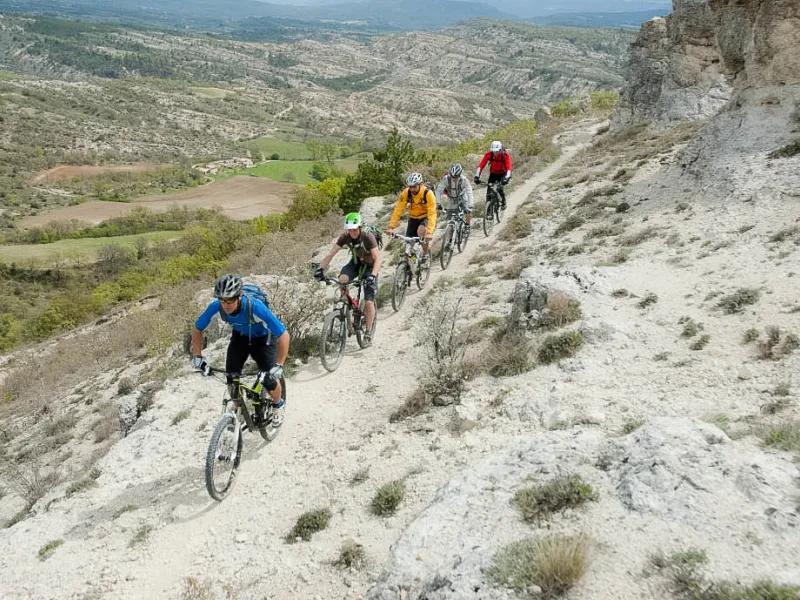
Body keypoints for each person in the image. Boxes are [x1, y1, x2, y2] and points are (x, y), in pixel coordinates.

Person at [190, 274, 289, 428]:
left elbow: (283, 335)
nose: (226, 305)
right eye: (223, 300)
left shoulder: (255, 307)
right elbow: (197, 328)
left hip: (263, 339)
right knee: (231, 377)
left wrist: (279, 364)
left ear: (239, 296)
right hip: (240, 337)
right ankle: (238, 408)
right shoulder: (216, 307)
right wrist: (197, 356)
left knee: (268, 379)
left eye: (230, 300)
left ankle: (278, 405)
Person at [315, 212, 382, 347]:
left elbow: (378, 258)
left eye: (354, 229)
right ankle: (347, 304)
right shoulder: (345, 237)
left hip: (370, 267)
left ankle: (368, 333)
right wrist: (320, 269)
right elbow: (331, 253)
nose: (352, 232)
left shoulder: (368, 236)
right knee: (342, 279)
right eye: (349, 230)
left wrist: (373, 275)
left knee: (369, 301)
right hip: (356, 263)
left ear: (360, 227)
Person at [385, 172, 437, 260]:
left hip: (425, 217)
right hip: (413, 217)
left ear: (420, 184)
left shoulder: (428, 193)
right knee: (409, 245)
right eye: (410, 187)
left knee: (421, 232)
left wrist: (429, 233)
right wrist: (391, 227)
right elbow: (398, 210)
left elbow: (432, 213)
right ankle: (413, 261)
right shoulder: (406, 193)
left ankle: (425, 254)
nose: (412, 189)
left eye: (414, 186)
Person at [435, 163, 474, 234]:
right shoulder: (446, 179)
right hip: (451, 198)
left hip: (462, 196)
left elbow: (469, 193)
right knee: (451, 216)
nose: (454, 179)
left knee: (467, 211)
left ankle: (467, 226)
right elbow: (438, 191)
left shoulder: (464, 180)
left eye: (456, 177)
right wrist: (438, 203)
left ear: (460, 175)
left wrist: (470, 205)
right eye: (452, 177)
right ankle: (450, 233)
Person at [474, 140, 512, 209]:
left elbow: (509, 168)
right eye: (493, 151)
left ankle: (503, 201)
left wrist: (507, 178)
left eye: (496, 151)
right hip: (493, 174)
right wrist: (477, 176)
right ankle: (488, 210)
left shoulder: (505, 156)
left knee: (500, 188)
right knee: (489, 191)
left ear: (500, 150)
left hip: (502, 174)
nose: (495, 153)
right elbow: (481, 166)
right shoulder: (489, 155)